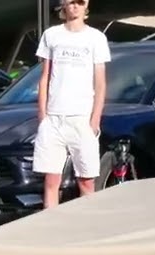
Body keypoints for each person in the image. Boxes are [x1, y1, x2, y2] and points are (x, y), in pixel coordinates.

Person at [34, 0, 110, 208]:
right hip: (54, 118)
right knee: (51, 180)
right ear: (63, 6)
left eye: (80, 2)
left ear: (86, 6)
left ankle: (88, 230)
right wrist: (43, 116)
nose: (75, 6)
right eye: (71, 2)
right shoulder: (52, 35)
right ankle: (52, 229)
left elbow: (100, 83)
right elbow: (45, 77)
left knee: (86, 180)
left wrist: (94, 120)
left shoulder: (96, 38)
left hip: (82, 118)